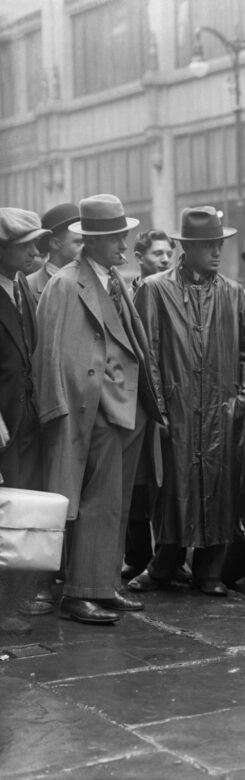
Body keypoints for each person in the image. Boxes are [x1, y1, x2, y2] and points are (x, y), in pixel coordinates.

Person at [34, 194, 165, 625]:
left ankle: (105, 584)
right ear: (91, 240)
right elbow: (49, 354)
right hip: (94, 411)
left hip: (125, 410)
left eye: (123, 237)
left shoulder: (110, 278)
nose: (123, 246)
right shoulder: (67, 283)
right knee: (94, 503)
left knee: (116, 504)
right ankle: (81, 593)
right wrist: (58, 413)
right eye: (114, 238)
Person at [128, 208, 245, 597]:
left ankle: (210, 571)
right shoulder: (155, 289)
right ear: (190, 247)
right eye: (209, 245)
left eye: (219, 244)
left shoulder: (232, 293)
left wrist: (242, 400)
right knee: (172, 491)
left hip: (221, 409)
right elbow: (145, 353)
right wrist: (159, 410)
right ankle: (163, 565)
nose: (217, 252)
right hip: (175, 409)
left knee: (220, 491)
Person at [0, 209, 49, 633]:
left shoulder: (20, 289)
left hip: (27, 421)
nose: (36, 251)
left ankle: (15, 600)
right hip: (3, 425)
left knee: (23, 511)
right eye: (27, 245)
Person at [121, 228, 176, 579]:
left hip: (165, 401)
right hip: (131, 403)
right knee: (135, 482)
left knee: (165, 482)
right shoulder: (126, 294)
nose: (166, 260)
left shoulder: (174, 294)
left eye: (169, 253)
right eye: (158, 254)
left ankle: (168, 558)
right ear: (140, 258)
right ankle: (136, 555)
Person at [26, 203, 81, 305]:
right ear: (55, 243)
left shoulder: (91, 281)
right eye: (78, 242)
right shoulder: (28, 287)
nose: (85, 248)